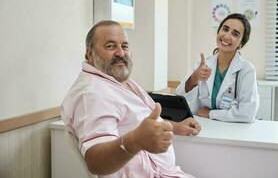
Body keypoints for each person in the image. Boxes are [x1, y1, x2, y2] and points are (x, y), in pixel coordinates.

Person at [60, 20, 200, 178]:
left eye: (124, 46)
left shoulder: (116, 81)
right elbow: (95, 161)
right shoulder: (93, 93)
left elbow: (138, 122)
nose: (121, 53)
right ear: (90, 54)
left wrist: (174, 126)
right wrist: (135, 141)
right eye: (110, 46)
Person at [176, 13, 259, 123]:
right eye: (225, 29)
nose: (227, 36)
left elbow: (247, 113)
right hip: (205, 127)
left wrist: (211, 113)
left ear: (241, 44)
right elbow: (180, 97)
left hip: (234, 130)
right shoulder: (203, 64)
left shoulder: (246, 70)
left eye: (235, 34)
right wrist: (194, 78)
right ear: (218, 32)